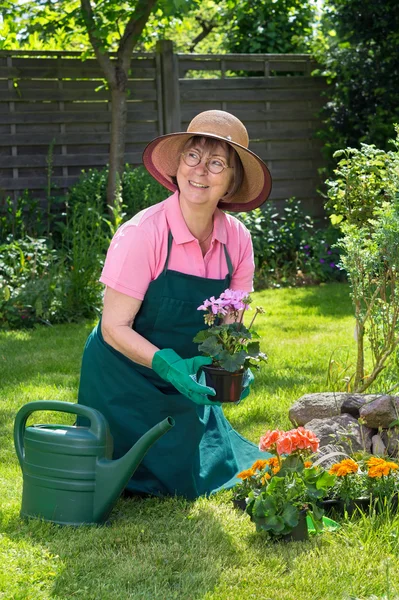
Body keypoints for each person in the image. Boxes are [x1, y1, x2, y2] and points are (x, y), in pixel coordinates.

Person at [78, 109, 272, 499]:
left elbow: (231, 324)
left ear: (231, 183)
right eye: (193, 156)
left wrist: (233, 366)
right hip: (123, 379)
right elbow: (114, 327)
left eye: (216, 163)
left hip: (185, 384)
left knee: (202, 472)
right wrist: (166, 363)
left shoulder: (238, 240)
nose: (200, 170)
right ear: (178, 166)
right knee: (143, 478)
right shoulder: (142, 234)